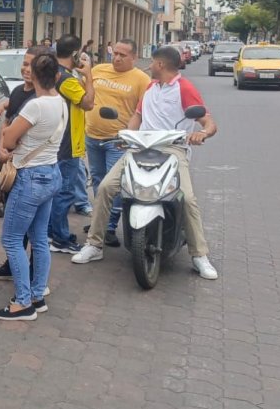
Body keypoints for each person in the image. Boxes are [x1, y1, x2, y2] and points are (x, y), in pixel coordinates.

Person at [72, 46, 221, 280]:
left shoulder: (184, 88)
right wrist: (127, 135)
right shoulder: (151, 87)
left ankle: (199, 255)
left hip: (172, 149)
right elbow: (138, 116)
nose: (150, 65)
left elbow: (209, 122)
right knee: (105, 187)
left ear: (161, 65)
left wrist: (202, 133)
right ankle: (94, 244)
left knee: (188, 199)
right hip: (140, 146)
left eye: (152, 62)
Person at [0, 52, 66, 321]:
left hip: (30, 177)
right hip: (51, 173)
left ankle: (22, 302)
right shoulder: (61, 103)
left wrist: (7, 139)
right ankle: (37, 295)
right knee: (39, 239)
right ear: (56, 76)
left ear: (34, 76)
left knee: (12, 239)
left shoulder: (35, 106)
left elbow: (10, 138)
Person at [0, 45, 48, 282]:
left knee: (35, 230)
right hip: (14, 166)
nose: (26, 69)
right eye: (24, 64)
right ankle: (13, 265)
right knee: (16, 227)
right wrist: (2, 146)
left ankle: (32, 277)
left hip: (32, 169)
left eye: (32, 65)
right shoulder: (19, 92)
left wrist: (8, 150)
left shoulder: (42, 99)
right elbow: (8, 121)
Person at [84, 39, 149, 247]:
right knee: (97, 179)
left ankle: (110, 226)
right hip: (92, 136)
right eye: (115, 53)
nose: (117, 58)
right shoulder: (99, 69)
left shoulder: (141, 80)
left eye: (123, 55)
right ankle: (99, 221)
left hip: (118, 141)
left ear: (134, 57)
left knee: (113, 185)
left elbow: (144, 111)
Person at [48, 35, 95, 253]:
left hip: (56, 141)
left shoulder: (52, 72)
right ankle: (60, 238)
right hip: (67, 143)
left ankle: (51, 233)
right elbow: (88, 103)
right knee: (64, 192)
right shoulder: (67, 79)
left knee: (55, 192)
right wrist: (89, 74)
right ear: (75, 54)